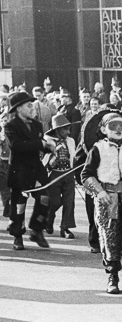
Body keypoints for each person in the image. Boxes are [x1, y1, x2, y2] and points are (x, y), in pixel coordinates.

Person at [81, 110, 122, 294]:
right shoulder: (97, 149)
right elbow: (86, 175)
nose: (118, 130)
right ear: (103, 129)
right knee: (109, 236)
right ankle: (113, 276)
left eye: (121, 126)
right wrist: (100, 191)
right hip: (108, 199)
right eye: (113, 126)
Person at [5, 91, 54, 250]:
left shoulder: (37, 125)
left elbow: (40, 146)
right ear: (18, 109)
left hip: (36, 170)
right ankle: (17, 235)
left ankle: (37, 229)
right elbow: (16, 146)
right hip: (19, 171)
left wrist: (49, 148)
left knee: (44, 199)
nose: (32, 107)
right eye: (28, 105)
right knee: (19, 205)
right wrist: (40, 144)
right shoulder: (10, 126)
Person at [44, 113, 79, 239]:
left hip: (68, 173)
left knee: (69, 201)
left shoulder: (71, 141)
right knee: (55, 201)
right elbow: (46, 161)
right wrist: (55, 154)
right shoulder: (48, 142)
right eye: (65, 129)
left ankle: (65, 227)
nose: (68, 132)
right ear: (57, 130)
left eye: (69, 129)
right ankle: (49, 218)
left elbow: (73, 157)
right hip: (54, 175)